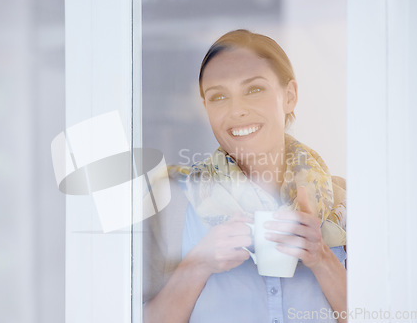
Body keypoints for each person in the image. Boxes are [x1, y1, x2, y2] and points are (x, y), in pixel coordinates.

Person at [143, 29, 347, 323]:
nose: (237, 110)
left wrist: (322, 258)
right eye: (218, 96)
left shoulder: (345, 206)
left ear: (289, 96)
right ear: (205, 109)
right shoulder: (173, 203)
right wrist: (197, 265)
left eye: (254, 89)